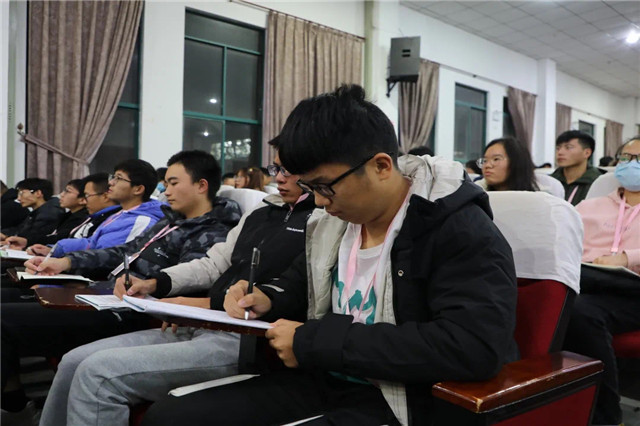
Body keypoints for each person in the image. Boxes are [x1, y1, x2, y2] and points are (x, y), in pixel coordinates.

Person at [141, 85, 518, 426]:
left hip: (398, 398)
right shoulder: (332, 223)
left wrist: (313, 342)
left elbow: (473, 345)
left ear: (381, 166)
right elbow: (300, 282)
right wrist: (267, 297)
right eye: (310, 188)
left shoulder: (455, 227)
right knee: (171, 416)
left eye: (325, 187)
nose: (319, 202)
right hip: (322, 376)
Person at [39, 140, 318, 426]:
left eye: (289, 170)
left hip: (244, 337)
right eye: (275, 168)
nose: (279, 178)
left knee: (97, 374)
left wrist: (201, 303)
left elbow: (293, 291)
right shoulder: (261, 212)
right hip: (201, 321)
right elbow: (213, 264)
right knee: (73, 360)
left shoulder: (320, 219)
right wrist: (154, 283)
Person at [1, 151, 242, 419]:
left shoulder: (213, 231)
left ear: (201, 185)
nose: (166, 191)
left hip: (135, 309)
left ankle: (12, 401)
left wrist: (147, 286)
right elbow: (126, 251)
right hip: (108, 293)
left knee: (7, 319)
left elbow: (191, 280)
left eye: (173, 183)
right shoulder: (171, 220)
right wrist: (66, 262)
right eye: (166, 184)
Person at [563, 136, 640, 426]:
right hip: (587, 282)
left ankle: (605, 416)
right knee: (556, 305)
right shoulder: (589, 206)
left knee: (579, 312)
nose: (631, 164)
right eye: (626, 158)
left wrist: (627, 258)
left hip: (634, 291)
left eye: (639, 159)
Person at [31, 159, 164, 260]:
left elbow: (111, 260)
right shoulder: (121, 213)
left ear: (138, 189)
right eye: (113, 177)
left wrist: (66, 261)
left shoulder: (142, 221)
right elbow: (91, 243)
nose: (111, 183)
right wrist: (55, 249)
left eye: (118, 178)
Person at [26, 173, 121, 256]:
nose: (85, 201)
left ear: (105, 196)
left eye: (87, 195)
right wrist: (52, 249)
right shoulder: (95, 217)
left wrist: (59, 253)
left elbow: (95, 252)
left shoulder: (112, 220)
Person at [4, 179, 88, 250]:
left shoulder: (50, 213)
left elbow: (57, 239)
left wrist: (25, 242)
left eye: (67, 191)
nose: (61, 195)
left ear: (83, 199)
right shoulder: (68, 215)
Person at [0, 178, 64, 246]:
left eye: (22, 193)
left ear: (38, 193)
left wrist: (6, 237)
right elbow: (20, 229)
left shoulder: (49, 214)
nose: (18, 198)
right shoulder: (38, 212)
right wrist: (4, 235)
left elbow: (31, 238)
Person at [551, 130, 604, 205]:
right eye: (558, 148)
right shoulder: (550, 182)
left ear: (587, 153)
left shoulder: (599, 183)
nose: (560, 152)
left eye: (568, 147)